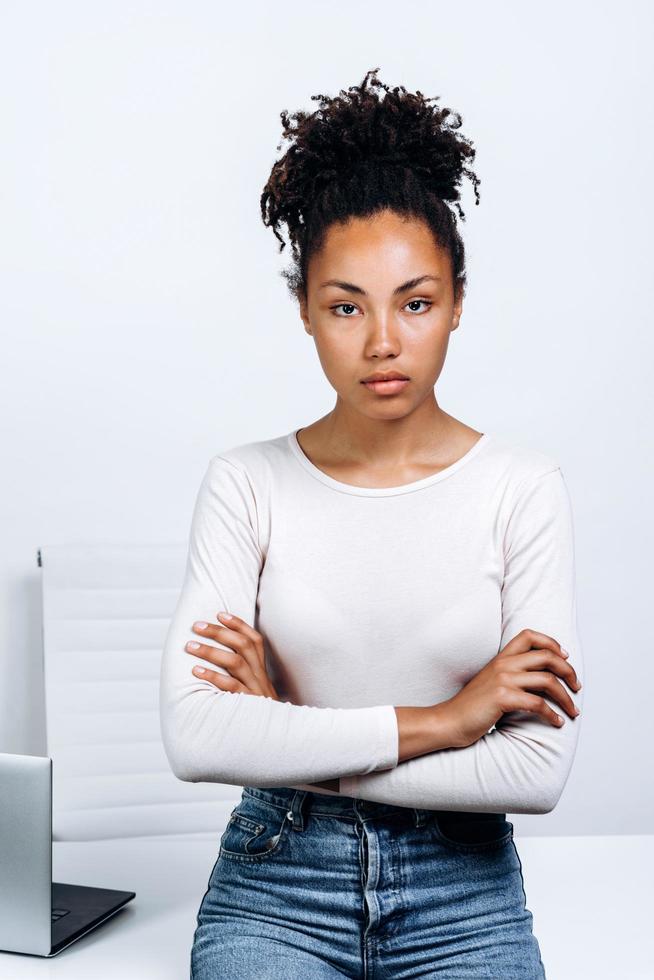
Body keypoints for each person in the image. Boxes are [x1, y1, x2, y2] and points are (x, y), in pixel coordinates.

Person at [159, 66, 584, 979]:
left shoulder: (522, 487)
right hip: (279, 883)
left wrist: (286, 733)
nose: (382, 341)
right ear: (306, 313)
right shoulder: (247, 484)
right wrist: (452, 717)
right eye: (346, 306)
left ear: (457, 303)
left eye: (415, 302)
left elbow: (535, 774)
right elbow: (197, 736)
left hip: (462, 887)